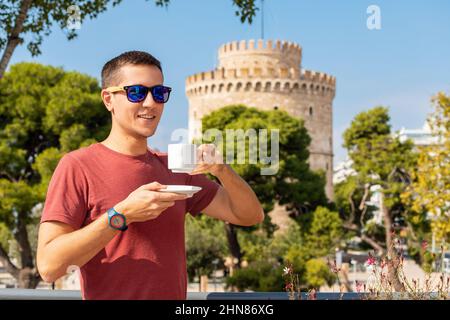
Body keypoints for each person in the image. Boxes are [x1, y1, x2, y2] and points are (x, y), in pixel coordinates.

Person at [36, 51, 264, 300]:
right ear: (108, 99)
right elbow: (49, 267)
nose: (150, 102)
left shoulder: (175, 168)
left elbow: (250, 215)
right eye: (136, 92)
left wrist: (223, 170)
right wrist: (122, 215)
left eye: (158, 93)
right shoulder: (77, 166)